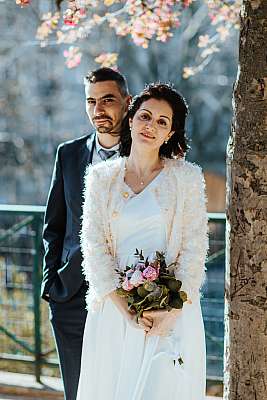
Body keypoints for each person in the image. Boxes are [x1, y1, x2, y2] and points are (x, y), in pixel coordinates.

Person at [77, 82, 209, 400]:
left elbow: (194, 248)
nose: (151, 126)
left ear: (171, 134)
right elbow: (93, 247)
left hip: (170, 311)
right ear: (132, 118)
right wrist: (127, 311)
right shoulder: (100, 178)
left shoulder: (187, 179)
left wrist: (170, 313)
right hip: (115, 311)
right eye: (145, 116)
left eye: (162, 122)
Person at [41, 67, 131, 400]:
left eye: (107, 100)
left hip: (127, 295)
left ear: (126, 101)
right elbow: (53, 226)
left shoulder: (146, 157)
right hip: (70, 295)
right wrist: (50, 282)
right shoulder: (68, 154)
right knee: (78, 392)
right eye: (91, 101)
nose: (98, 110)